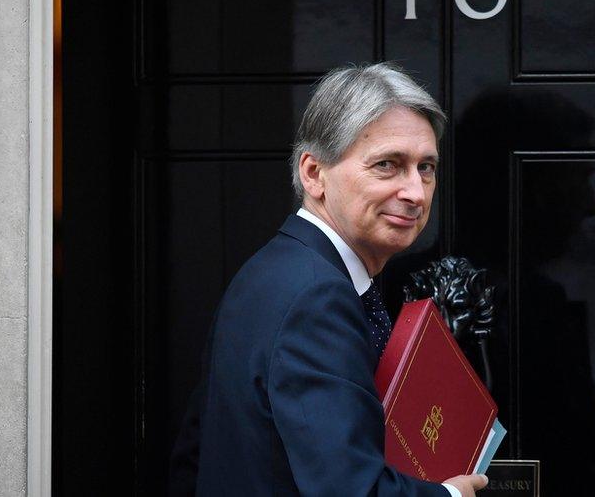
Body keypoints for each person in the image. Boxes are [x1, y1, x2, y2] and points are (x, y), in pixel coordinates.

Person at [173, 63, 488, 497]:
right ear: (314, 174)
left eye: (426, 168)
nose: (416, 192)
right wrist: (451, 496)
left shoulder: (275, 270)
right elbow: (349, 489)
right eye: (388, 165)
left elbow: (196, 458)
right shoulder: (315, 296)